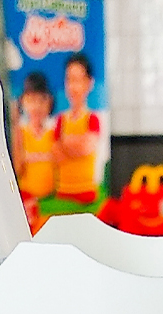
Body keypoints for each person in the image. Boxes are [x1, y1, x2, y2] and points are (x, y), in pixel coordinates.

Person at [54, 53, 103, 204]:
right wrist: (76, 143)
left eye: (78, 80)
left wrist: (66, 143)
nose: (73, 87)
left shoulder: (92, 119)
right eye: (69, 80)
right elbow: (56, 155)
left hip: (86, 194)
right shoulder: (61, 120)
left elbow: (86, 148)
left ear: (89, 83)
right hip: (63, 192)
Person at [11, 72, 57, 201]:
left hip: (51, 198)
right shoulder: (20, 132)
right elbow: (18, 167)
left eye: (41, 100)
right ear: (22, 102)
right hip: (27, 199)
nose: (36, 107)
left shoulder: (53, 133)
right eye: (31, 100)